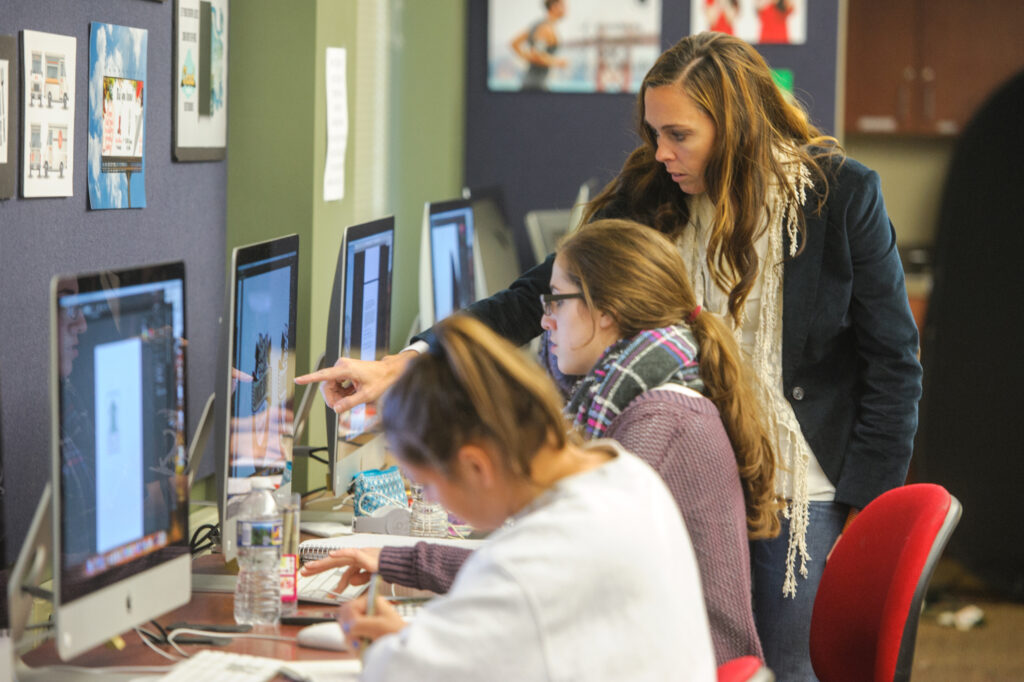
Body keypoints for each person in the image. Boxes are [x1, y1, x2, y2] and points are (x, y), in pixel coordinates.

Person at [298, 32, 923, 679]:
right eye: (655, 132)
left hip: (802, 487)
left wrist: (863, 512)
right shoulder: (655, 193)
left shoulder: (839, 195)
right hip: (705, 466)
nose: (661, 151)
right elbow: (533, 296)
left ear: (735, 127)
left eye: (679, 134)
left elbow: (894, 364)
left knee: (789, 667)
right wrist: (408, 361)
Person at [304, 220, 781, 664]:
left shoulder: (655, 427)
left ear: (606, 313)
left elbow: (536, 575)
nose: (545, 320)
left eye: (555, 300)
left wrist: (404, 640)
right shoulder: (629, 414)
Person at [334, 315, 716, 681]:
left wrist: (386, 652)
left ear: (475, 467)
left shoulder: (521, 566)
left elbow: (399, 674)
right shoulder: (628, 475)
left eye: (425, 485)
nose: (429, 500)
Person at [509, 0, 569, 91]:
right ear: (554, 6)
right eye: (563, 5)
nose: (566, 9)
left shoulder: (539, 24)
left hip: (532, 83)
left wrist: (527, 57)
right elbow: (537, 55)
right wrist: (558, 62)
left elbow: (514, 43)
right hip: (536, 85)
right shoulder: (546, 28)